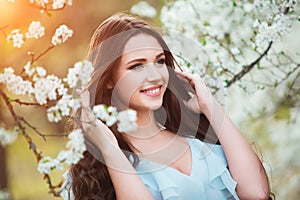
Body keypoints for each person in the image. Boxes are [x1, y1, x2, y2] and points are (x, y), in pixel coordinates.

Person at [62, 13, 271, 200]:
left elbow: (257, 193)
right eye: (137, 65)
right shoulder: (94, 171)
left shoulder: (201, 144)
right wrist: (109, 150)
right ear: (108, 79)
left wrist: (210, 107)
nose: (155, 76)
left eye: (160, 61)